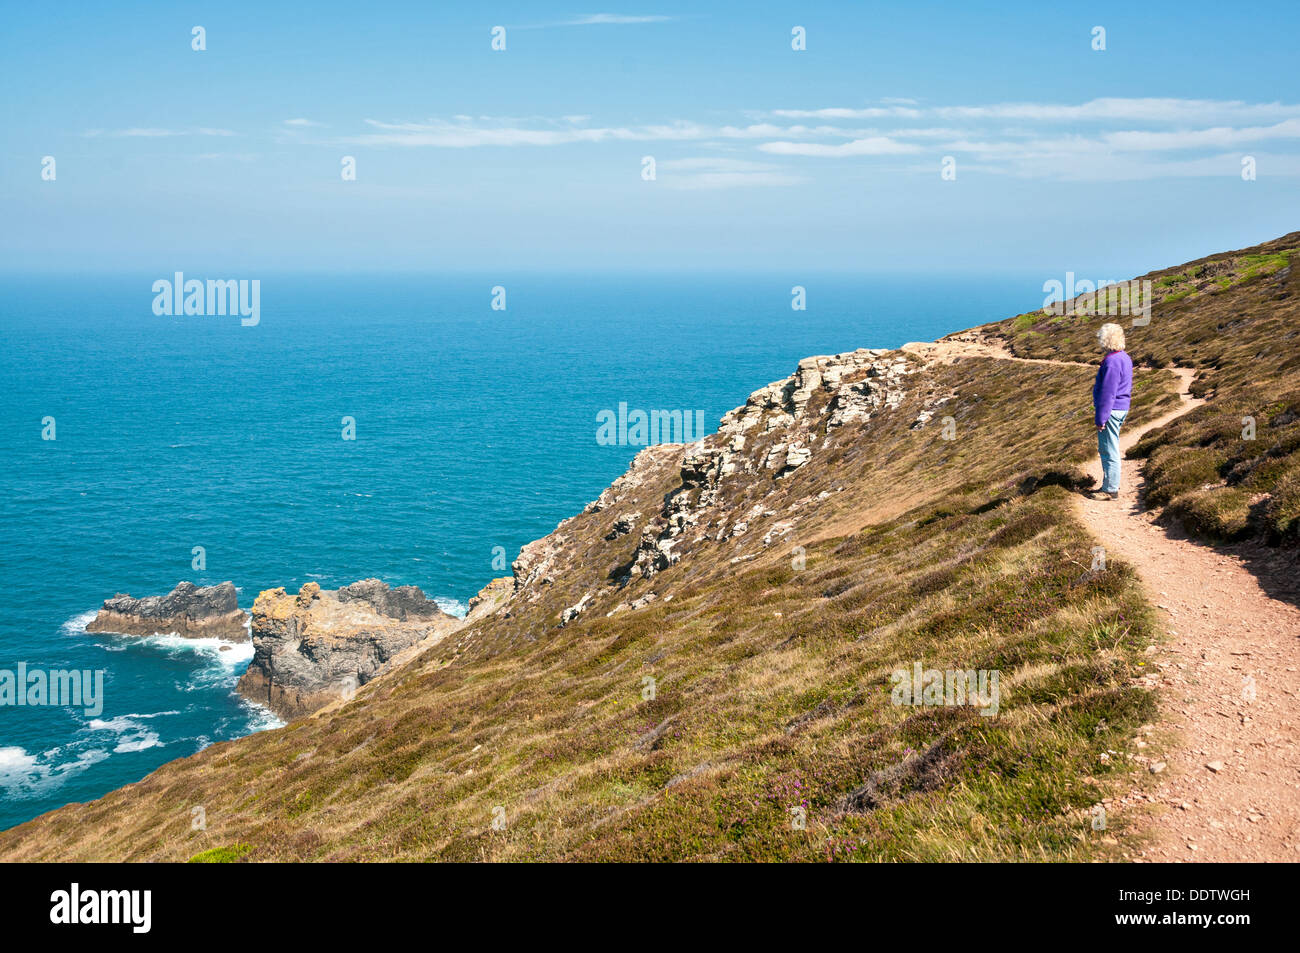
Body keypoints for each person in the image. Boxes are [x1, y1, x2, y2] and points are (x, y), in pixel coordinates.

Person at [1091, 323, 1133, 501]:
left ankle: (1110, 489)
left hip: (1112, 410)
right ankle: (1109, 486)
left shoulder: (1112, 361)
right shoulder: (1123, 357)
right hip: (1120, 408)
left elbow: (1108, 393)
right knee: (1110, 447)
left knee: (1109, 449)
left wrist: (1101, 418)